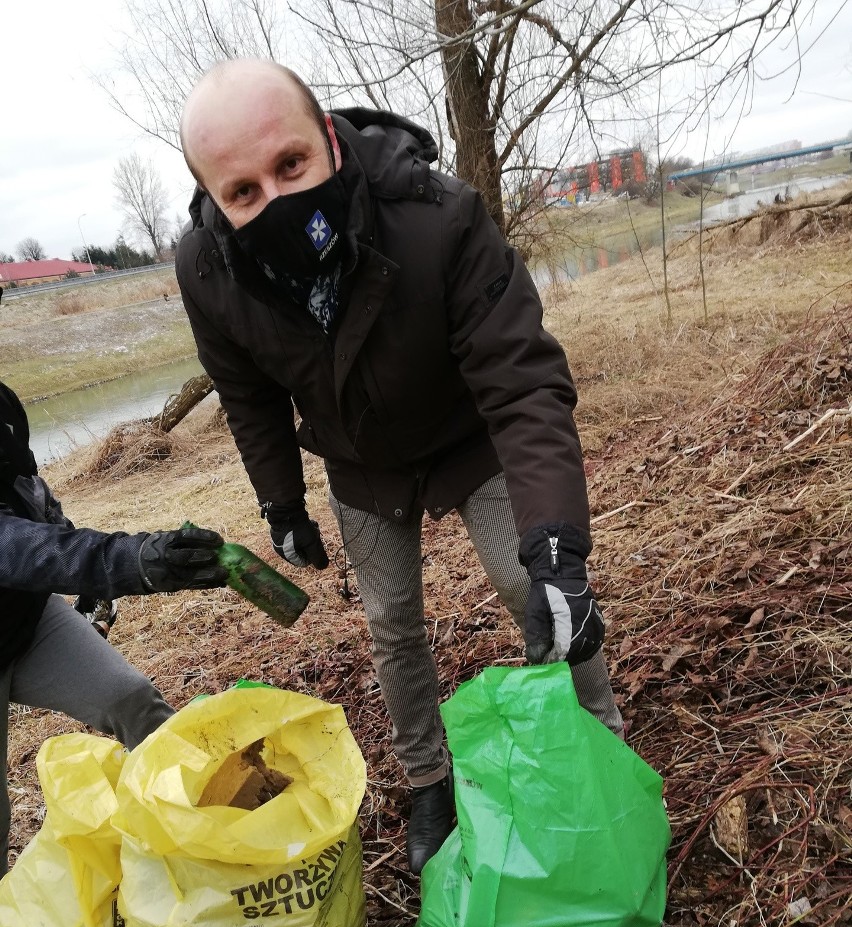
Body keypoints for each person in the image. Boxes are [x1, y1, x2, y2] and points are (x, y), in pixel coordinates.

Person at [176, 59, 624, 874]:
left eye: (291, 164)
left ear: (330, 143)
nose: (275, 200)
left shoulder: (437, 215)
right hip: (360, 460)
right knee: (391, 623)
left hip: (465, 433)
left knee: (536, 585)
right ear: (212, 199)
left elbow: (523, 382)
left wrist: (559, 542)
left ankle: (598, 746)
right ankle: (429, 780)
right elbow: (247, 397)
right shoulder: (209, 273)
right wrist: (281, 504)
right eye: (242, 192)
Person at [0, 380, 227, 877]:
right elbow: (13, 546)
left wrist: (90, 585)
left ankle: (213, 831)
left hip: (25, 620)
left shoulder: (2, 404)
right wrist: (133, 562)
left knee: (131, 699)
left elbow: (31, 497)